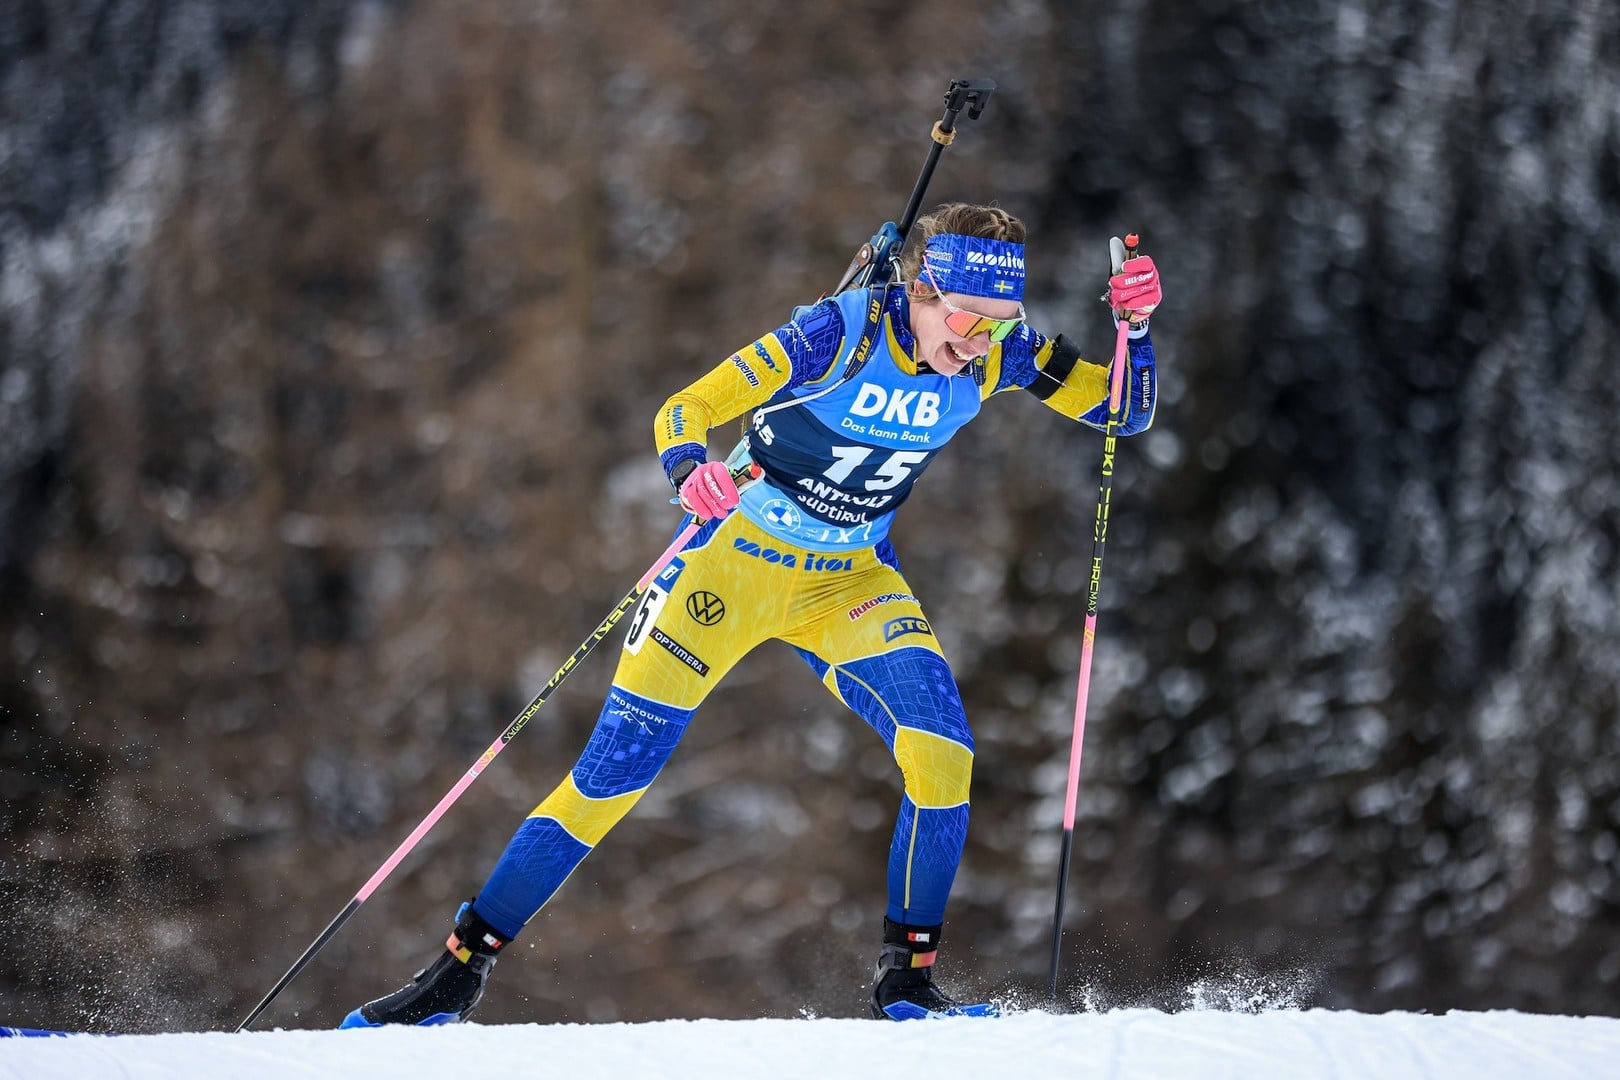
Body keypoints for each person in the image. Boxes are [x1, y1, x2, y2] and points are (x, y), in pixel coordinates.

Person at [342, 202, 1162, 1026]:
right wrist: (689, 468)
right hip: (730, 565)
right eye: (963, 321)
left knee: (943, 754)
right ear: (920, 289)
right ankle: (456, 973)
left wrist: (1136, 329)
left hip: (849, 580)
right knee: (612, 776)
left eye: (997, 326)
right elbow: (683, 411)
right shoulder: (834, 334)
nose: (976, 344)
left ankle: (907, 984)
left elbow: (1121, 410)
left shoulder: (1001, 355)